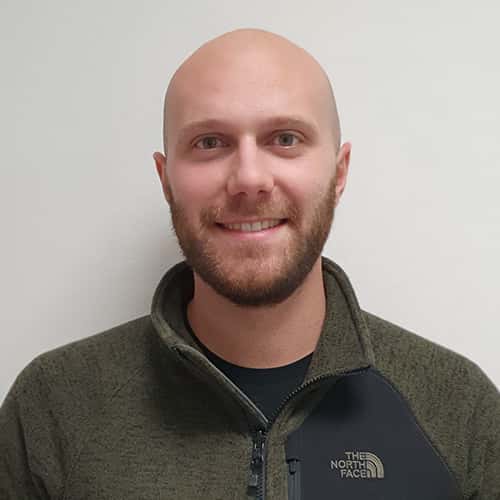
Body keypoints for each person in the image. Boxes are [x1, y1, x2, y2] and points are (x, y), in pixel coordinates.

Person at [1, 28, 499, 500]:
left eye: (285, 139)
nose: (249, 178)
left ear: (339, 172)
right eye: (210, 142)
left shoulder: (461, 411)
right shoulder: (52, 407)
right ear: (166, 179)